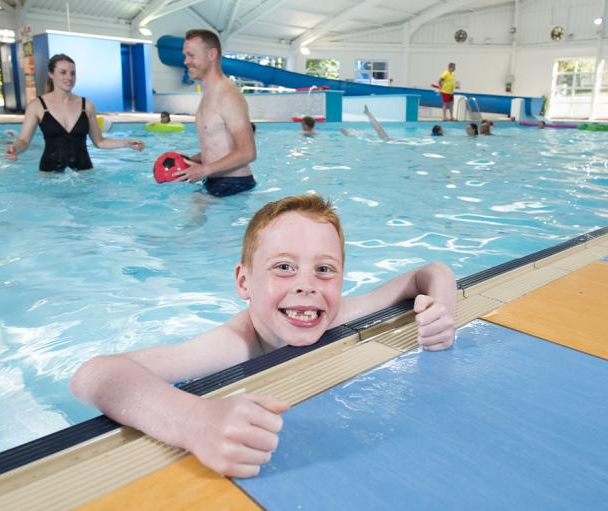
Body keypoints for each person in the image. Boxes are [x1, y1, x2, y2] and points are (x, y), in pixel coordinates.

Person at [70, 194, 457, 478]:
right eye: (284, 267)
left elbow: (430, 271)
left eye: (324, 269)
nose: (307, 285)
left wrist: (441, 310)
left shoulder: (339, 314)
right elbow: (94, 375)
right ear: (244, 281)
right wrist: (194, 421)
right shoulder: (236, 344)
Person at [4, 54, 144, 171]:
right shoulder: (37, 106)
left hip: (84, 173)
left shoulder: (86, 105)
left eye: (72, 73)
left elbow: (99, 142)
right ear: (51, 75)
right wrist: (14, 148)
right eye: (63, 72)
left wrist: (126, 143)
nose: (69, 77)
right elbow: (23, 141)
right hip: (50, 174)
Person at [172, 29, 257, 197]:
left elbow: (248, 152)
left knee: (192, 221)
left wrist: (204, 170)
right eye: (185, 55)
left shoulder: (228, 96)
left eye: (191, 55)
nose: (185, 61)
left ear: (211, 54)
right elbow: (217, 147)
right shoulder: (209, 93)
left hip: (234, 185)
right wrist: (189, 161)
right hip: (212, 180)